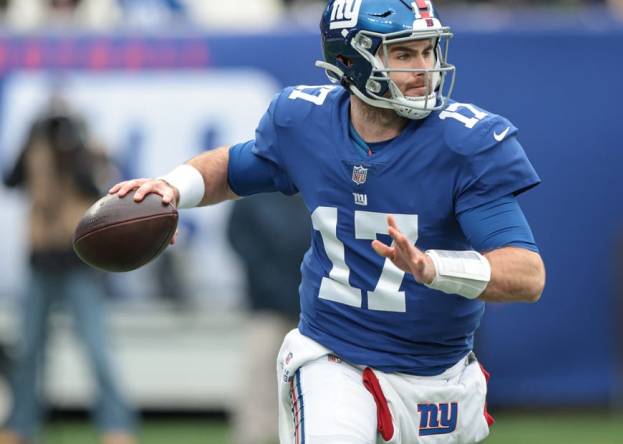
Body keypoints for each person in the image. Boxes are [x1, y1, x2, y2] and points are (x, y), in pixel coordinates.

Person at [111, 0, 546, 441]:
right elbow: (232, 168)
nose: (423, 68)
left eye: (427, 51)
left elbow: (527, 274)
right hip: (334, 359)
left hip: (438, 376)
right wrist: (172, 187)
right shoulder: (306, 121)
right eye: (403, 54)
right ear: (351, 61)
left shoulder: (463, 143)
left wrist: (434, 268)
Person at [0, 100, 136, 444]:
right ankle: (21, 424)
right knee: (29, 350)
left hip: (79, 262)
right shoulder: (36, 151)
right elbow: (11, 180)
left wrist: (76, 147)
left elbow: (96, 188)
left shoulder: (87, 153)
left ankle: (115, 425)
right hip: (40, 260)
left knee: (96, 347)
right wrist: (32, 140)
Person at [226, 194, 310, 444]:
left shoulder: (315, 184)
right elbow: (237, 235)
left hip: (313, 310)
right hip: (267, 306)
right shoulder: (255, 192)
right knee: (260, 382)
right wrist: (267, 279)